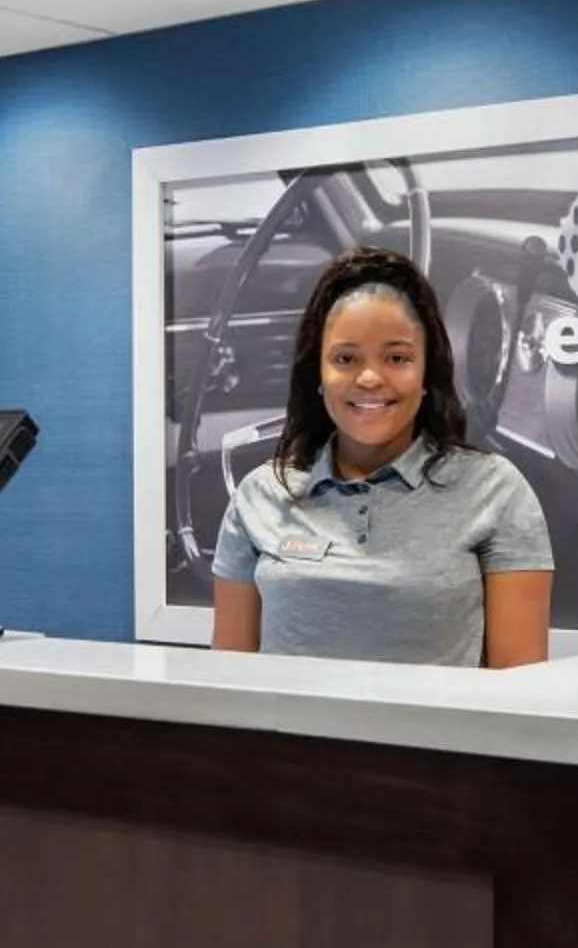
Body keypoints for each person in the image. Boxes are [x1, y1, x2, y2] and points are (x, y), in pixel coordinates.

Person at [210, 246, 554, 667]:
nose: (370, 378)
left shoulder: (497, 492)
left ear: (426, 372)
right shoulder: (260, 495)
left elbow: (519, 690)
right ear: (318, 373)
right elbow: (227, 681)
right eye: (345, 358)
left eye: (397, 358)